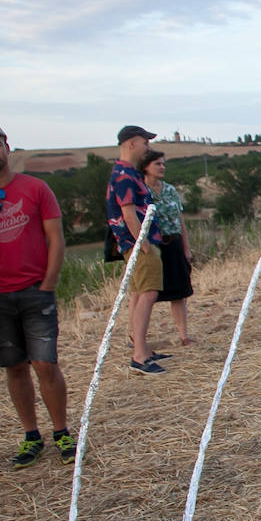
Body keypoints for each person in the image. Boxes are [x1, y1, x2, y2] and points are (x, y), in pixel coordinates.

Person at [0, 124, 77, 469]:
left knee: (45, 363)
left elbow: (56, 238)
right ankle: (31, 435)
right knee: (14, 367)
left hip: (34, 290)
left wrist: (49, 282)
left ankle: (61, 431)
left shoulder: (35, 188)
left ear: (8, 148)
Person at [106, 125, 168, 375]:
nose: (148, 148)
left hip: (137, 243)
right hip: (139, 243)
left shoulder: (127, 172)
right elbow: (128, 213)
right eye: (145, 143)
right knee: (148, 293)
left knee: (138, 293)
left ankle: (140, 346)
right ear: (132, 144)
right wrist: (143, 245)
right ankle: (140, 356)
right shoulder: (124, 175)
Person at [140, 150, 194, 345]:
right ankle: (138, 339)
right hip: (153, 246)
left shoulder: (170, 190)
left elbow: (180, 222)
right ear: (146, 167)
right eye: (157, 164)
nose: (162, 167)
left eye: (163, 164)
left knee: (180, 293)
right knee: (147, 293)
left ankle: (183, 336)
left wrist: (186, 248)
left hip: (174, 244)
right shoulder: (141, 191)